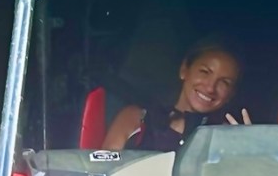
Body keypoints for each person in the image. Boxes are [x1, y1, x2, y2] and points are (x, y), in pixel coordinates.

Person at [102, 39, 248, 152]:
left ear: (231, 94)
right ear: (184, 70)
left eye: (224, 82)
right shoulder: (136, 119)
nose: (210, 87)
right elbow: (103, 171)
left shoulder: (228, 140)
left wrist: (251, 153)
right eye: (204, 72)